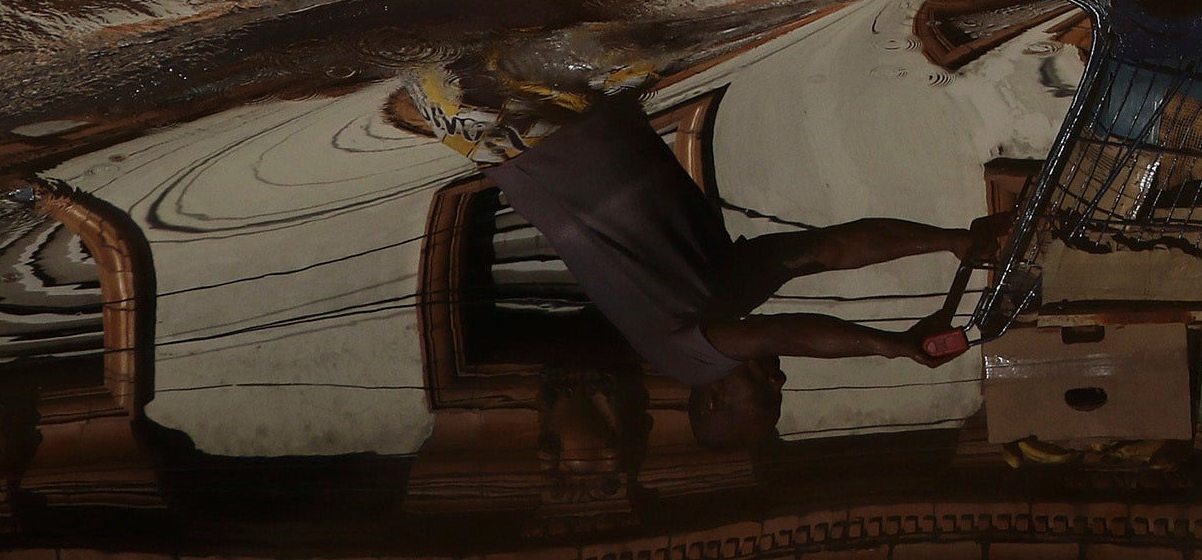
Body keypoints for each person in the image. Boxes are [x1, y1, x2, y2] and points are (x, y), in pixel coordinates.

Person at [408, 76, 1001, 449]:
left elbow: (784, 333)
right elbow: (830, 248)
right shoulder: (723, 295)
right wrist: (949, 240)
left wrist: (895, 348)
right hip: (581, 111)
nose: (780, 377)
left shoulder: (686, 356)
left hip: (515, 133)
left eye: (767, 396)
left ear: (714, 399)